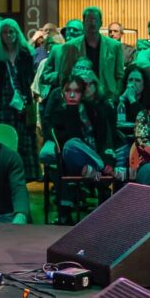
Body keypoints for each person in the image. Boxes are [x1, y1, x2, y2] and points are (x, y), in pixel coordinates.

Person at [41, 74, 119, 214]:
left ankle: (97, 172)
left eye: (76, 91)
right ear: (62, 92)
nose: (72, 95)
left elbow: (104, 138)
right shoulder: (59, 112)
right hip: (69, 159)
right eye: (68, 90)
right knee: (72, 145)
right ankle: (101, 170)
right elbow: (63, 140)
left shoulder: (93, 110)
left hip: (90, 161)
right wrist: (71, 112)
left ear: (82, 93)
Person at [0, 17, 38, 178]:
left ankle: (26, 174)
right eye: (5, 32)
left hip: (23, 101)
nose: (8, 35)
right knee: (5, 137)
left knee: (24, 138)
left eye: (11, 31)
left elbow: (30, 79)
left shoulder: (25, 54)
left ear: (17, 33)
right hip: (3, 100)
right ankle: (5, 173)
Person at [43, 6, 124, 99]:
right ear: (83, 23)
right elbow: (64, 75)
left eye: (95, 20)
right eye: (89, 21)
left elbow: (120, 76)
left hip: (107, 98)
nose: (92, 24)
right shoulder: (70, 46)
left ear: (101, 23)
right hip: (79, 99)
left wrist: (115, 95)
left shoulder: (114, 46)